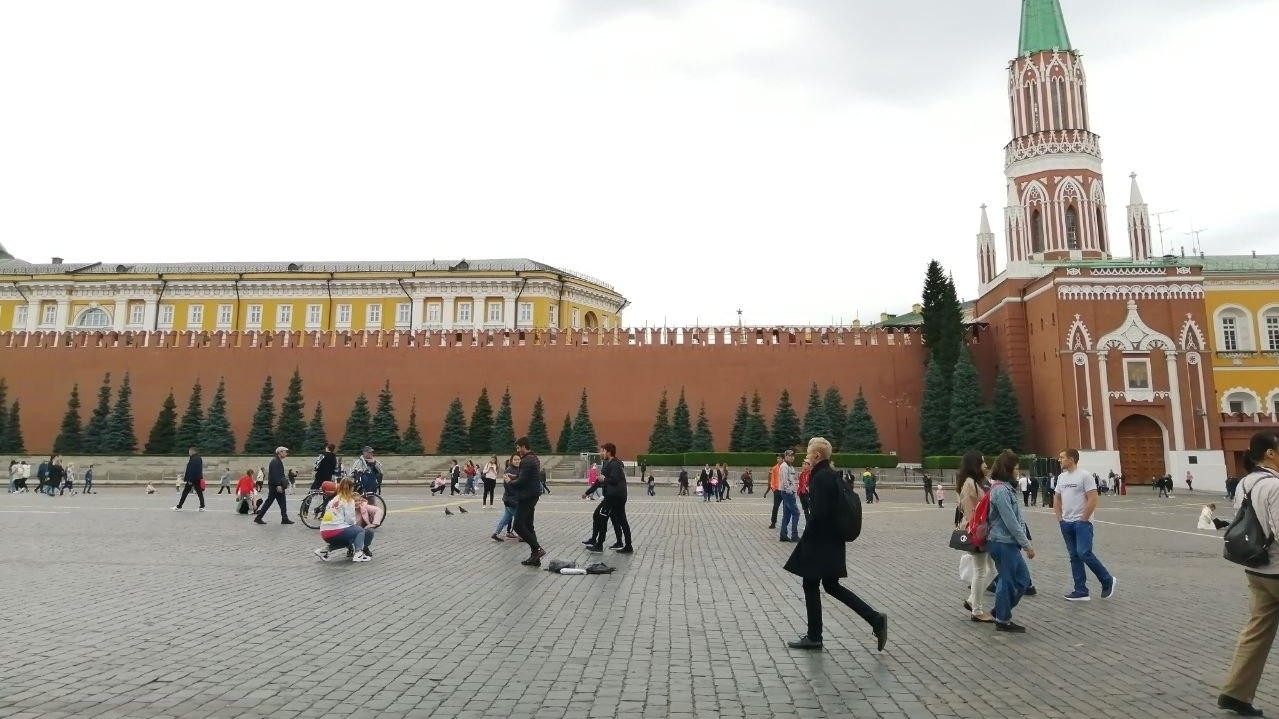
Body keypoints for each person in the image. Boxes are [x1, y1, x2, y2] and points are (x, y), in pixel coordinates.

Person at [784, 437, 887, 652]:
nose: (806, 457)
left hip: (821, 542)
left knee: (811, 584)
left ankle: (815, 636)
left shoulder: (820, 477)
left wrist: (807, 540)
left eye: (808, 454)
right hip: (833, 541)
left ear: (817, 456)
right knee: (831, 586)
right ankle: (875, 619)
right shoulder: (831, 475)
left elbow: (819, 514)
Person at [1218, 430, 1279, 717]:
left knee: (1256, 632)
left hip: (1257, 570)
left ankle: (1235, 693)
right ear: (1270, 452)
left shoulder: (1245, 482)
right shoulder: (1275, 486)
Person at [1056, 448, 1115, 601]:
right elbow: (1057, 498)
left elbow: (1093, 498)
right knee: (1074, 556)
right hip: (1066, 522)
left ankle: (1107, 580)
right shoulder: (1061, 477)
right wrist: (1060, 518)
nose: (1059, 460)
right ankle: (1081, 590)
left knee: (1084, 553)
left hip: (1082, 523)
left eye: (1062, 457)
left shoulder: (1085, 475)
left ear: (1072, 459)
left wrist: (1084, 518)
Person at [986, 450, 1035, 632]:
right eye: (1016, 467)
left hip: (1007, 542)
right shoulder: (1000, 490)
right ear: (1008, 469)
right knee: (1008, 581)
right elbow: (1011, 522)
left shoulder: (1005, 488)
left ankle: (1000, 611)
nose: (1018, 471)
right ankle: (1003, 619)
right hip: (1002, 542)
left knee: (1022, 580)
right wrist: (1027, 545)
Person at [955, 451, 994, 623]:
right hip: (977, 531)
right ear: (974, 464)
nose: (986, 465)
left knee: (991, 570)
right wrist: (978, 532)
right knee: (981, 570)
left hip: (981, 529)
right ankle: (976, 610)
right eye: (982, 462)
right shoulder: (970, 483)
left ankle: (972, 600)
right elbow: (973, 510)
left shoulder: (976, 481)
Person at [583, 442, 633, 553]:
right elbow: (599, 481)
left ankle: (599, 545)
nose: (601, 453)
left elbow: (614, 480)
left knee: (603, 517)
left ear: (608, 452)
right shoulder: (609, 463)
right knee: (618, 520)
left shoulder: (614, 464)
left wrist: (604, 480)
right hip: (615, 496)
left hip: (614, 497)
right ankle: (627, 545)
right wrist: (588, 492)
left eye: (603, 451)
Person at [314, 478, 373, 562]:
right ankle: (359, 554)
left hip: (325, 532)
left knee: (348, 539)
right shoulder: (348, 500)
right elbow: (350, 520)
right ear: (351, 488)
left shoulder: (333, 500)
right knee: (359, 531)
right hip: (336, 530)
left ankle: (323, 551)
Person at [511, 437, 545, 566]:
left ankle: (537, 549)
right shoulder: (534, 458)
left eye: (518, 448)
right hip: (533, 494)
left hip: (526, 496)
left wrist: (511, 482)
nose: (518, 450)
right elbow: (527, 476)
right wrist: (515, 476)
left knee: (518, 526)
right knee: (529, 526)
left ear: (524, 446)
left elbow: (522, 481)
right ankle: (535, 557)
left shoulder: (526, 460)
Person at [253, 447, 295, 525]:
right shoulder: (275, 461)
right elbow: (275, 475)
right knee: (269, 502)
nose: (286, 453)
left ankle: (284, 518)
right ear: (280, 452)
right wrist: (278, 485)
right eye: (285, 452)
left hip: (277, 486)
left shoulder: (277, 461)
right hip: (276, 486)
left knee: (282, 502)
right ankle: (258, 518)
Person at [174, 447, 206, 511]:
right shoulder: (198, 458)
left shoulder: (194, 459)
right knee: (199, 492)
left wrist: (190, 479)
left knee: (185, 492)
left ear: (193, 451)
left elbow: (192, 469)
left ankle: (179, 506)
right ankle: (202, 506)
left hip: (192, 478)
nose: (189, 453)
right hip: (196, 478)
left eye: (189, 451)